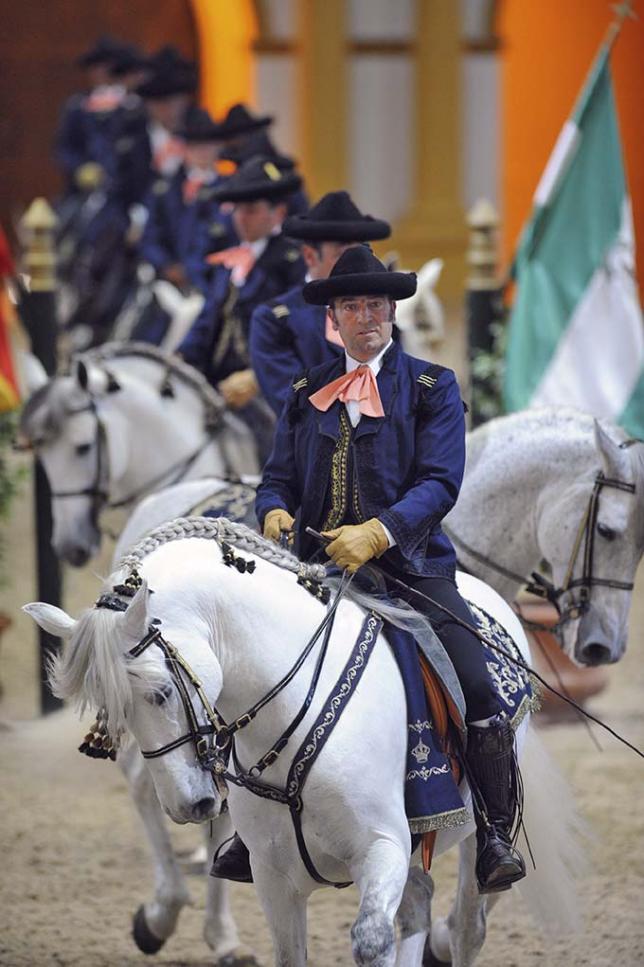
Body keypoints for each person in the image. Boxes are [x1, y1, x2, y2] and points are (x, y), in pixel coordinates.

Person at [212, 246, 527, 895]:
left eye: (377, 305)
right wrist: (272, 511)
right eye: (354, 306)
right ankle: (246, 822)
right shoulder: (307, 394)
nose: (368, 317)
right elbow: (276, 478)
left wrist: (378, 532)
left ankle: (496, 829)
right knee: (235, 671)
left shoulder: (432, 387)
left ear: (391, 311)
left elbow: (441, 481)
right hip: (314, 574)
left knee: (477, 684)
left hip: (412, 570)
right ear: (334, 318)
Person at [178, 156, 305, 462]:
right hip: (216, 383)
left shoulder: (291, 262)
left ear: (278, 213)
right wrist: (180, 360)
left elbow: (299, 333)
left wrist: (258, 377)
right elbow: (208, 321)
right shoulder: (229, 262)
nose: (241, 218)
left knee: (272, 444)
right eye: (237, 210)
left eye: (251, 210)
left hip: (265, 388)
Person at [249, 190, 390, 415]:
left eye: (359, 253)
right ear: (310, 256)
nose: (354, 265)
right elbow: (294, 402)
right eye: (342, 254)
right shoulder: (275, 321)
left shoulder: (382, 317)